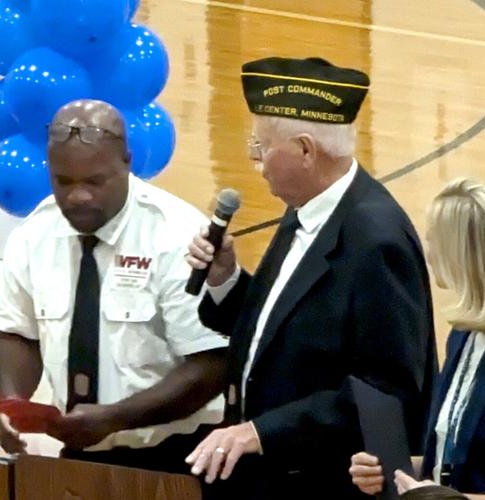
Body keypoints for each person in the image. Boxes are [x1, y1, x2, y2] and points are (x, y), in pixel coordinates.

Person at [184, 57, 437, 498]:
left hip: (325, 484)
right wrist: (224, 277)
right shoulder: (307, 208)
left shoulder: (377, 242)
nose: (255, 161)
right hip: (273, 476)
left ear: (305, 149)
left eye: (261, 146)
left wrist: (259, 432)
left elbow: (385, 392)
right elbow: (281, 336)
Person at [0, 99, 228, 476]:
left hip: (177, 458)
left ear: (127, 164)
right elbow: (16, 332)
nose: (78, 196)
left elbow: (211, 365)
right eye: (63, 182)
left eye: (95, 181)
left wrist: (115, 418)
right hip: (81, 454)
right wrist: (11, 402)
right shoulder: (36, 234)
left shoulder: (175, 235)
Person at [350, 179, 485, 500]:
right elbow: (454, 459)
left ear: (466, 256)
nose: (428, 252)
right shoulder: (465, 331)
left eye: (435, 241)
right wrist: (398, 471)